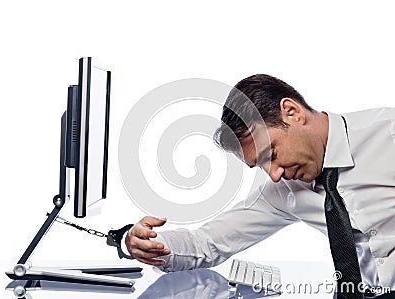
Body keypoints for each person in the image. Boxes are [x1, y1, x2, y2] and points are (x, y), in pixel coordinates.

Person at [124, 74, 395, 297]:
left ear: (292, 112)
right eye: (260, 165)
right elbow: (208, 244)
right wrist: (146, 244)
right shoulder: (286, 189)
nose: (274, 175)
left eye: (272, 154)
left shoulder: (388, 134)